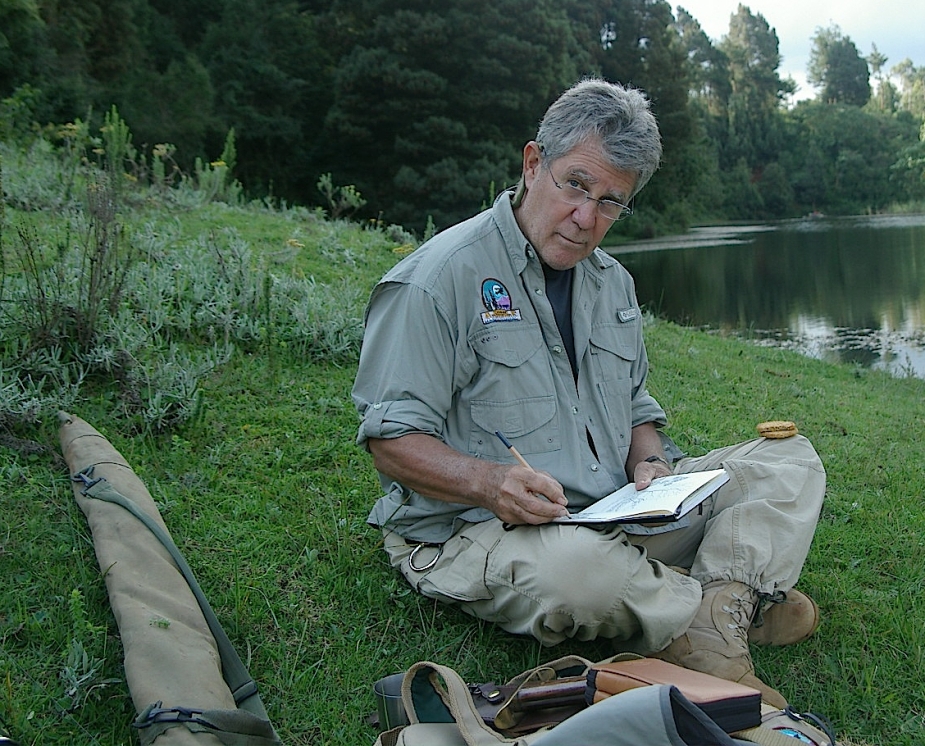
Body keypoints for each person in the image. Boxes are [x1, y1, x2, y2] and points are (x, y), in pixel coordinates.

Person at [351, 77, 825, 707]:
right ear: (532, 163)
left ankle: (707, 609)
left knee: (787, 462)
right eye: (576, 184)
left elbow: (634, 408)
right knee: (577, 575)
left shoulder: (613, 285)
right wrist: (490, 484)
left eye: (611, 202)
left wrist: (650, 460)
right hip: (485, 528)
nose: (586, 218)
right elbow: (391, 441)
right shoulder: (437, 281)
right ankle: (719, 611)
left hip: (618, 511)